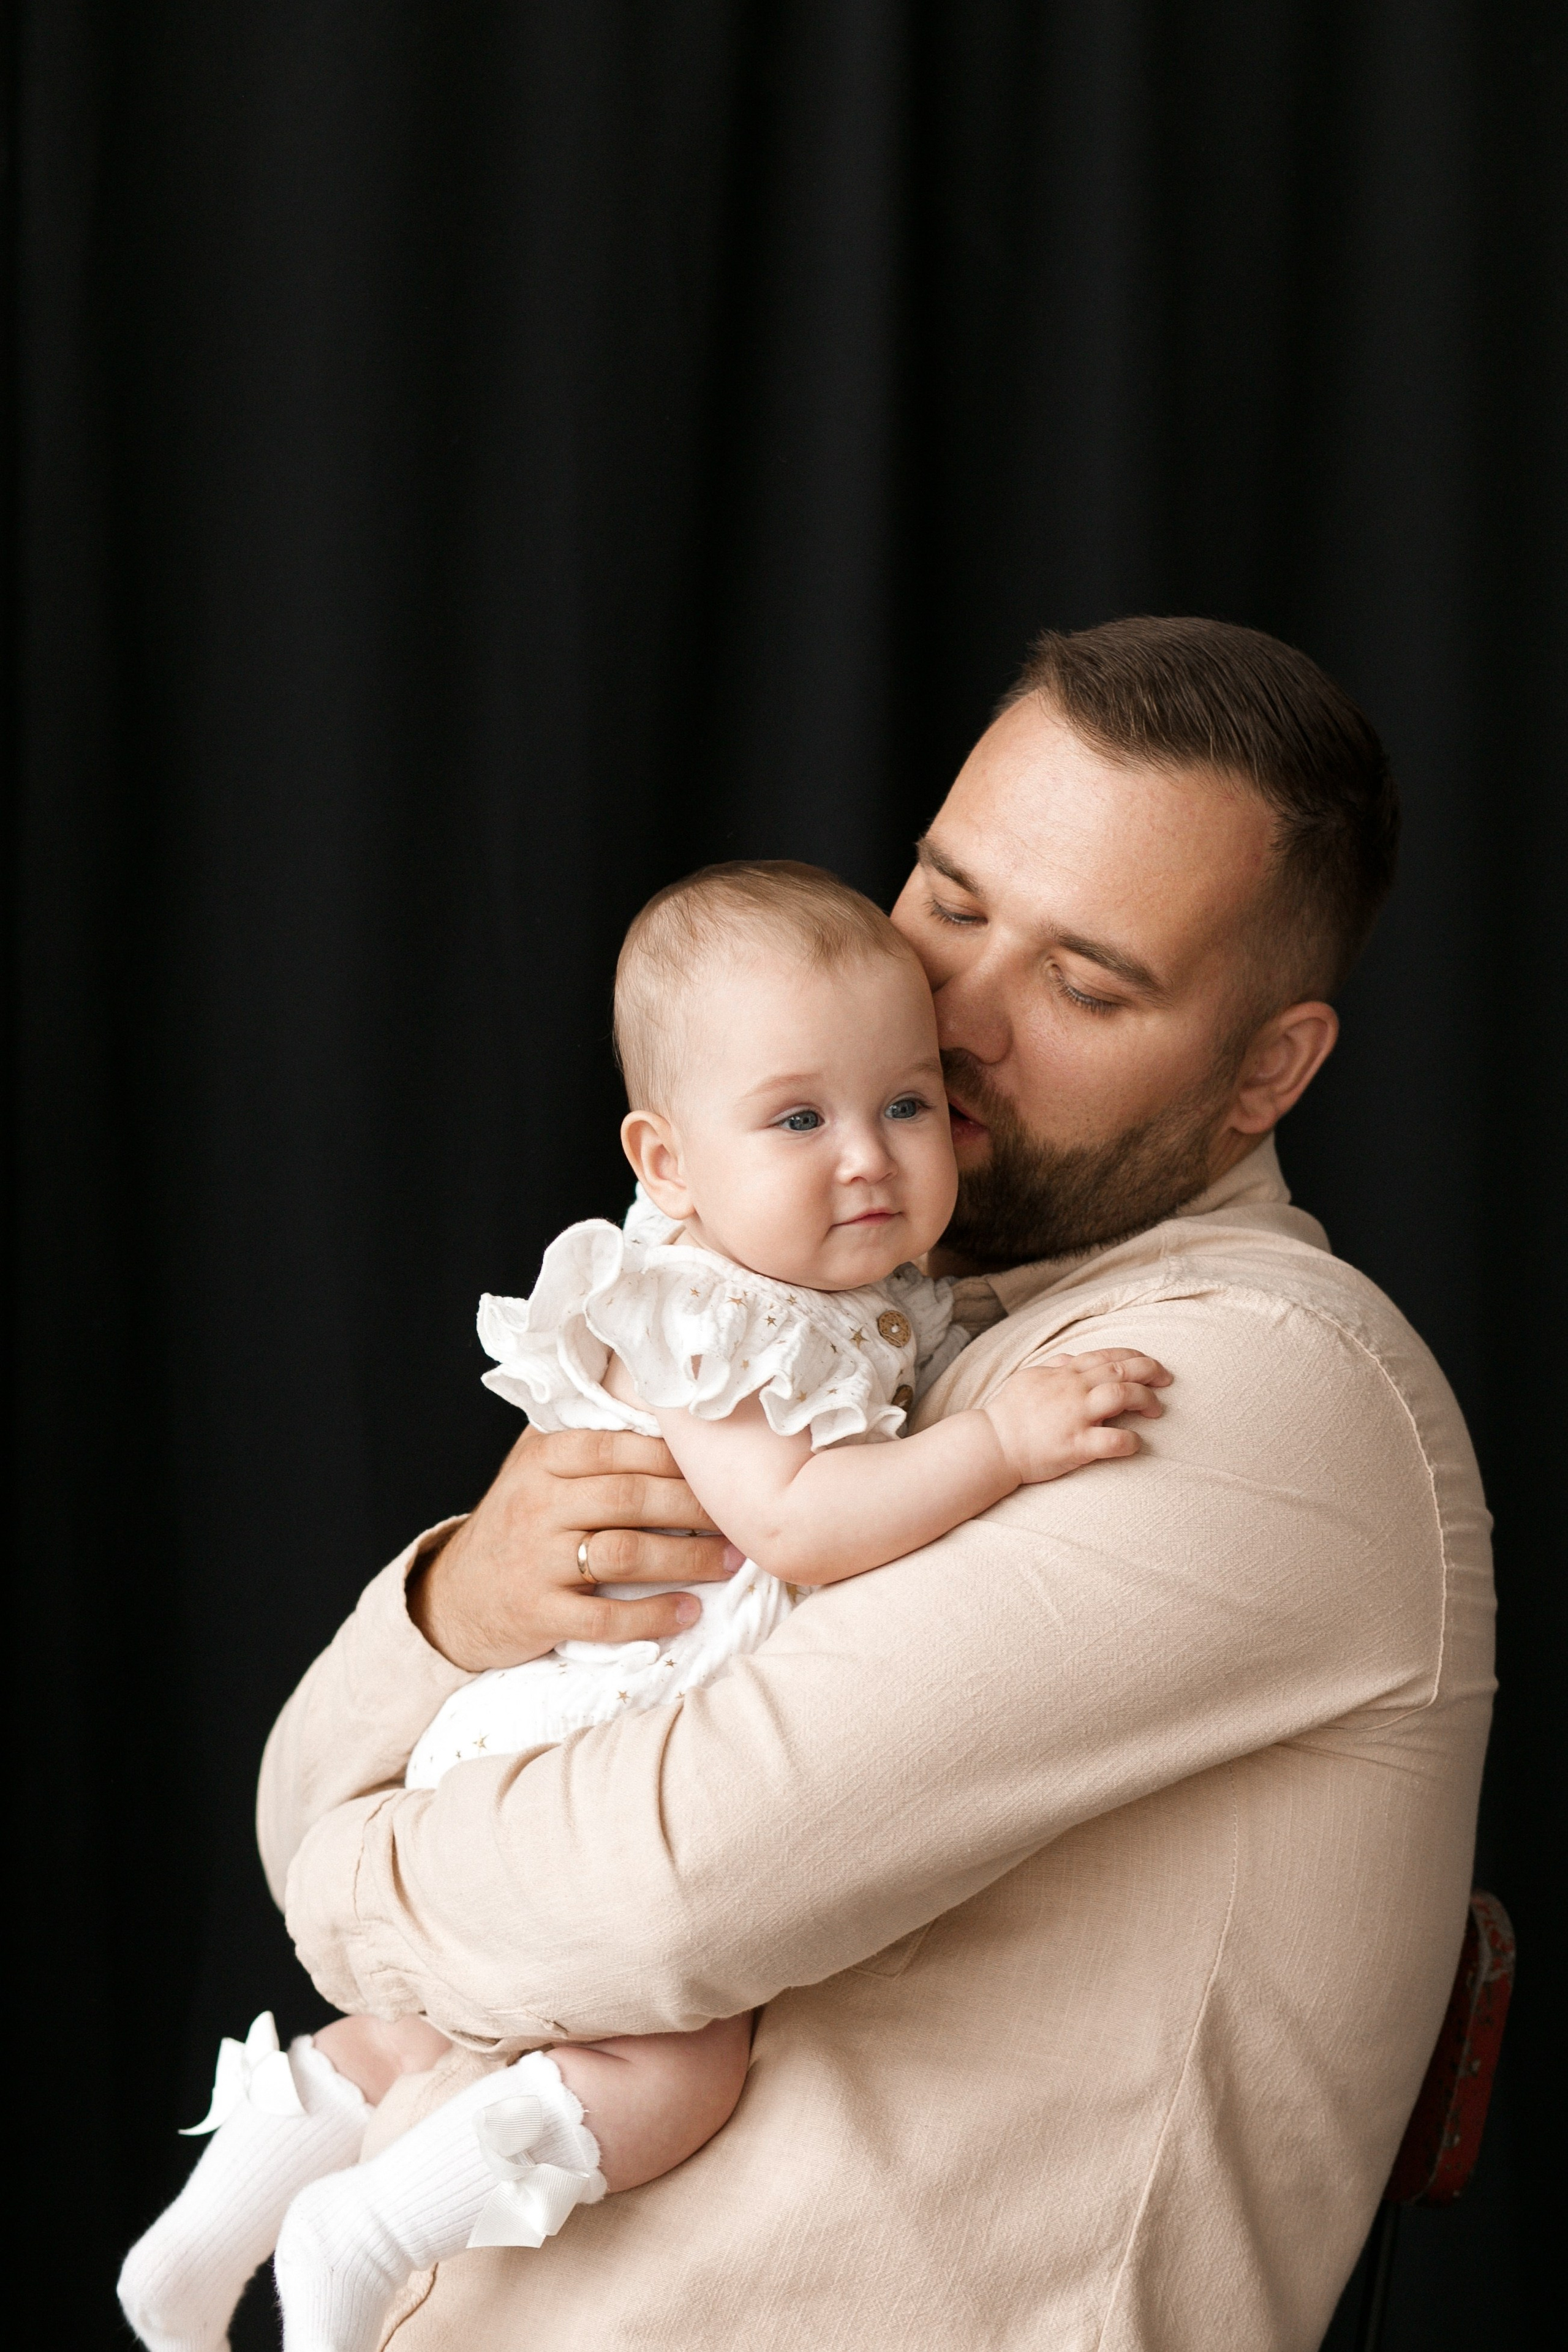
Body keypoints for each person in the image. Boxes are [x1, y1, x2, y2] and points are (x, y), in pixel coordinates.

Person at [258, 617, 1491, 2351]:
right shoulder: (835, 1325)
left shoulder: (1254, 1390)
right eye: (953, 900)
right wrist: (466, 1603)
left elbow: (657, 1896)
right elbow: (319, 1782)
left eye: (1085, 982)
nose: (956, 1017)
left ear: (1266, 1072)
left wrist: (345, 1870)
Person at [117, 863, 1170, 2352]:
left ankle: (194, 2255)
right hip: (593, 1718)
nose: (866, 1160)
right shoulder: (708, 1312)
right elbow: (797, 1519)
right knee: (675, 2072)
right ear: (664, 1161)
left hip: (581, 1712)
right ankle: (362, 2232)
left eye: (908, 1105)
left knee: (428, 2029)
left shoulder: (812, 1282)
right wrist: (999, 1441)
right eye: (798, 1119)